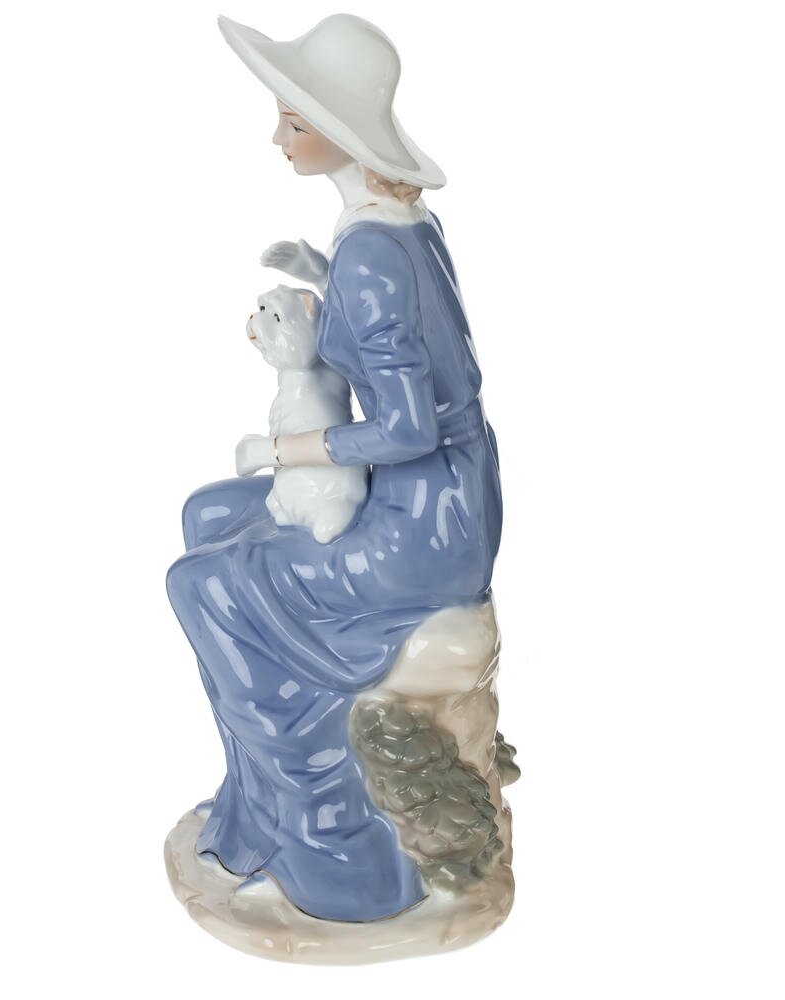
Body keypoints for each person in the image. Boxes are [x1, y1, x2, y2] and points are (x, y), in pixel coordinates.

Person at [165, 14, 503, 922]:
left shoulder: (376, 252)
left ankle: (332, 839)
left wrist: (288, 451)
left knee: (203, 584)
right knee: (209, 516)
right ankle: (253, 804)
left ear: (342, 134)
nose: (277, 137)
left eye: (294, 123)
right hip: (445, 499)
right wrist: (324, 274)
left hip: (419, 528)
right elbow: (403, 341)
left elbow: (405, 428)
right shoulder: (391, 227)